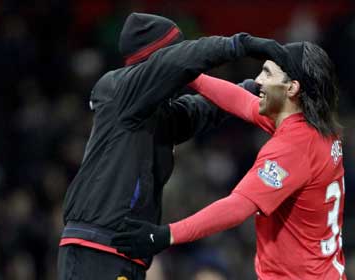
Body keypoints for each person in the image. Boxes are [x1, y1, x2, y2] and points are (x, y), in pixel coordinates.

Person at [111, 38, 347, 279]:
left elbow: (238, 206)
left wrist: (165, 235)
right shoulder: (315, 128)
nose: (257, 81)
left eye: (267, 73)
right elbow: (240, 101)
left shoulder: (293, 147)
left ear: (292, 88)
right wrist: (182, 69)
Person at [57, 13, 263, 280]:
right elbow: (180, 63)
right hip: (97, 249)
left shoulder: (158, 114)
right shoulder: (118, 90)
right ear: (156, 60)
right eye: (174, 52)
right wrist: (241, 45)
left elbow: (203, 109)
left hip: (125, 251)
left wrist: (252, 88)